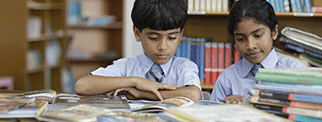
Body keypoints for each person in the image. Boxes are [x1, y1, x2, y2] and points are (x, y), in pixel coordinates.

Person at [75, 0, 202, 102]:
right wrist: (136, 81)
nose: (163, 46)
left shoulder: (183, 67)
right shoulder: (126, 67)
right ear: (137, 33)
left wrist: (141, 93)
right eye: (154, 38)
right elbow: (82, 85)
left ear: (180, 36)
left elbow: (192, 94)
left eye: (172, 37)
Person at [209, 0, 307, 104]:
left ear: (274, 32)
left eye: (258, 35)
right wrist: (225, 110)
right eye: (241, 39)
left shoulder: (297, 72)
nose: (250, 46)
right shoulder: (227, 79)